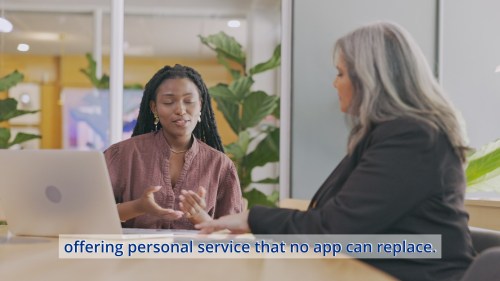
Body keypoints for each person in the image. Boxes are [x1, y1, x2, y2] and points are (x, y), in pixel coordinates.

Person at [192, 22, 475, 281]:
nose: (334, 83)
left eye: (340, 73)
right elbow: (335, 219)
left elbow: (336, 229)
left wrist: (252, 218)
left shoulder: (412, 137)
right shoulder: (392, 134)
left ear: (369, 79)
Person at [104, 64, 243, 230]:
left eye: (189, 101)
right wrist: (138, 207)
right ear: (154, 107)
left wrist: (199, 216)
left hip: (195, 255)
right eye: (169, 102)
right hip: (133, 254)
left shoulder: (221, 165)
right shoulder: (122, 154)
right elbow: (90, 214)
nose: (180, 110)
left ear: (200, 105)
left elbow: (233, 235)